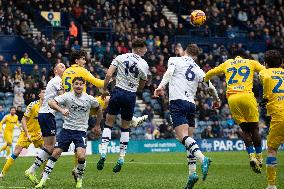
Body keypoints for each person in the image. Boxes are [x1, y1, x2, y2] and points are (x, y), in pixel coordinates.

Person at [154, 44, 220, 189]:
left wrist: (161, 86)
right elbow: (210, 87)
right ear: (195, 56)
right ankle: (192, 174)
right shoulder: (198, 69)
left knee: (181, 137)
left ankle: (203, 159)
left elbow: (169, 73)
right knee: (189, 142)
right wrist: (217, 100)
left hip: (178, 102)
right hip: (191, 104)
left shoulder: (174, 60)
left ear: (185, 51)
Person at [35, 77, 102, 189]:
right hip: (66, 130)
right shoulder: (67, 96)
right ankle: (43, 181)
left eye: (81, 84)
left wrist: (97, 125)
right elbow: (51, 102)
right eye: (76, 84)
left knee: (81, 156)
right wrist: (61, 110)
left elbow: (99, 107)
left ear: (84, 86)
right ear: (73, 85)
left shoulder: (89, 99)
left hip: (80, 131)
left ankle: (79, 178)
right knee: (55, 153)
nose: (78, 86)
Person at [204, 50, 265, 173]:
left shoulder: (228, 63)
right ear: (244, 57)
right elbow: (265, 72)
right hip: (247, 96)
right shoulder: (251, 62)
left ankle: (251, 156)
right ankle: (259, 158)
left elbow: (211, 72)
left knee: (245, 130)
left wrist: (206, 81)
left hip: (232, 98)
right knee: (254, 129)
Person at [97, 38, 149, 173]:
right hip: (130, 95)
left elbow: (108, 74)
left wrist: (104, 89)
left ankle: (103, 152)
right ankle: (121, 158)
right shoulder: (144, 64)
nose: (146, 50)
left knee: (108, 123)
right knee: (125, 128)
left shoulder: (120, 57)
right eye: (144, 48)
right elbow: (142, 85)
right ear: (138, 49)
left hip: (118, 91)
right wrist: (135, 87)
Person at [24, 63, 66, 184]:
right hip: (47, 115)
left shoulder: (56, 81)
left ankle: (33, 170)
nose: (64, 68)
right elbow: (62, 97)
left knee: (51, 147)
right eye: (61, 67)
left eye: (64, 67)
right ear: (55, 70)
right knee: (50, 147)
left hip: (47, 114)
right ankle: (31, 170)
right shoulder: (57, 80)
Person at [0, 88, 45, 178]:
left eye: (46, 92)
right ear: (39, 95)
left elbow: (47, 121)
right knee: (16, 151)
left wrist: (43, 132)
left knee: (47, 151)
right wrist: (27, 133)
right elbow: (24, 119)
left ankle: (43, 173)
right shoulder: (32, 105)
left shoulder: (49, 106)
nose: (45, 93)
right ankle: (2, 173)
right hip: (27, 133)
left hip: (39, 133)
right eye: (43, 92)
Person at [259, 50, 283, 189]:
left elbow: (265, 78)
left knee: (272, 149)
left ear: (266, 63)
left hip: (280, 116)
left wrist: (265, 99)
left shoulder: (265, 73)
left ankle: (271, 185)